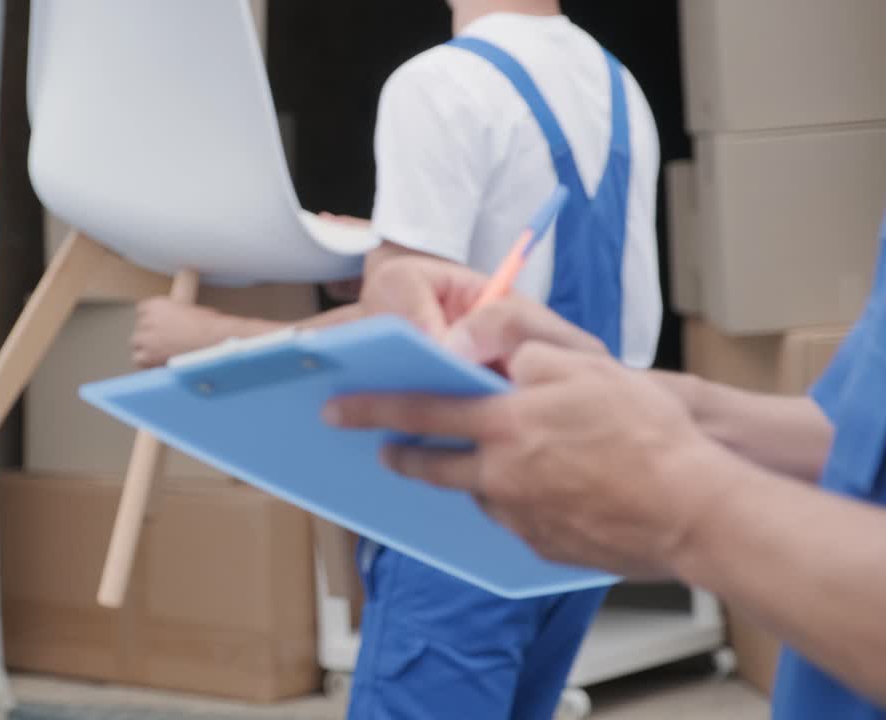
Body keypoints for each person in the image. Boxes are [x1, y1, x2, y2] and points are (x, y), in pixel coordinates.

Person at [129, 1, 661, 717]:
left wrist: (201, 339)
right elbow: (564, 292)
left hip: (465, 512)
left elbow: (397, 340)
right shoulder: (618, 87)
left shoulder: (440, 85)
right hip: (582, 514)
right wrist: (388, 255)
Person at [325, 93, 886, 718]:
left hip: (464, 530)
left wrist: (681, 503)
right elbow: (866, 437)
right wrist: (622, 396)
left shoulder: (432, 92)